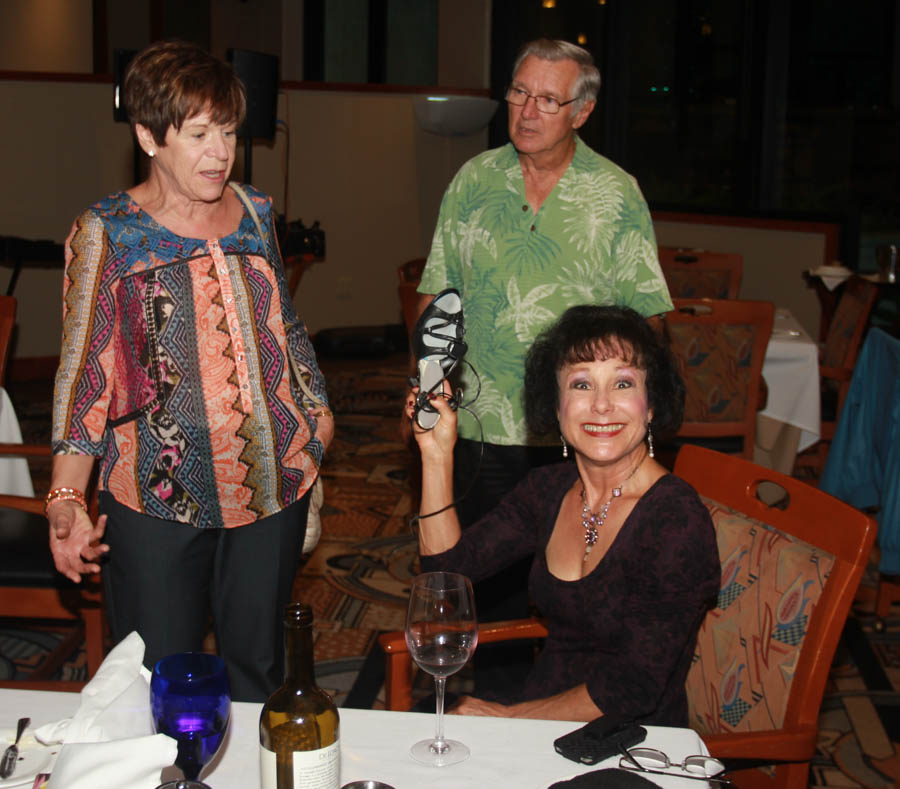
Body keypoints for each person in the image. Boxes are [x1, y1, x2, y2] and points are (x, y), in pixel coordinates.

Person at [46, 40, 333, 702]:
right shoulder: (107, 231)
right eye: (199, 133)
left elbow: (284, 326)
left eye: (228, 131)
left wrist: (317, 418)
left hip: (268, 484)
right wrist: (65, 497)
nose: (219, 151)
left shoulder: (256, 209)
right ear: (148, 134)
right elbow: (83, 373)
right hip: (154, 493)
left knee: (260, 675)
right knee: (162, 681)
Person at [415, 39, 673, 631]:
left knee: (581, 593)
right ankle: (500, 711)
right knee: (481, 592)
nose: (527, 111)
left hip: (579, 435)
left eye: (548, 100)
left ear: (581, 112)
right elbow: (437, 293)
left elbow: (649, 325)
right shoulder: (473, 180)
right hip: (480, 423)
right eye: (519, 93)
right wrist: (429, 378)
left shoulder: (615, 194)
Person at [406, 306, 719, 723]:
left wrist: (510, 720)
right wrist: (436, 453)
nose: (602, 405)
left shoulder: (676, 521)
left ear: (652, 407)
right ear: (557, 409)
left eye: (623, 383)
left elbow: (633, 688)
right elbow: (445, 568)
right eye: (582, 384)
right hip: (543, 715)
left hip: (634, 742)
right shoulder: (549, 490)